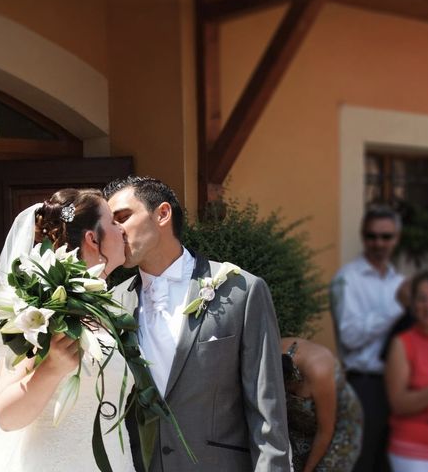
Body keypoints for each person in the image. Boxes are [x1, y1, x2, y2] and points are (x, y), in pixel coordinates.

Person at [0, 188, 134, 472]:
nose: (123, 231)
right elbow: (6, 415)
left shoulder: (112, 309)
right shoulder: (38, 305)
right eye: (114, 223)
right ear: (93, 238)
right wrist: (51, 369)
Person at [104, 176, 290, 471]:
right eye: (111, 226)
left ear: (162, 214)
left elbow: (267, 409)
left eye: (123, 218)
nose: (116, 232)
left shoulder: (241, 290)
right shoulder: (111, 303)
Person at [330, 205, 404, 472]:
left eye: (386, 236)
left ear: (396, 238)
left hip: (400, 388)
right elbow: (350, 337)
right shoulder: (347, 279)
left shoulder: (399, 282)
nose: (379, 243)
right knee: (361, 462)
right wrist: (398, 309)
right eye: (372, 236)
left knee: (390, 463)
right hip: (364, 385)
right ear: (363, 237)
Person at [385, 270, 428, 471]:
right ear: (412, 305)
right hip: (414, 449)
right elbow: (398, 404)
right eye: (421, 299)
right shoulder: (402, 343)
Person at [281, 337, 362, 471]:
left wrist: (308, 470)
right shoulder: (271, 352)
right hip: (301, 425)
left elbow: (325, 431)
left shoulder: (319, 371)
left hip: (336, 427)